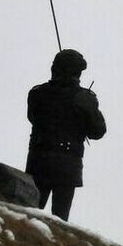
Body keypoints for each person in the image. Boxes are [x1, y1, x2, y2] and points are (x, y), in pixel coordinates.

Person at [26, 49, 106, 221]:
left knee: (30, 213)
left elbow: (32, 117)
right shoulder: (84, 98)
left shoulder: (37, 93)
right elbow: (98, 131)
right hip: (67, 164)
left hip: (38, 160)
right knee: (60, 219)